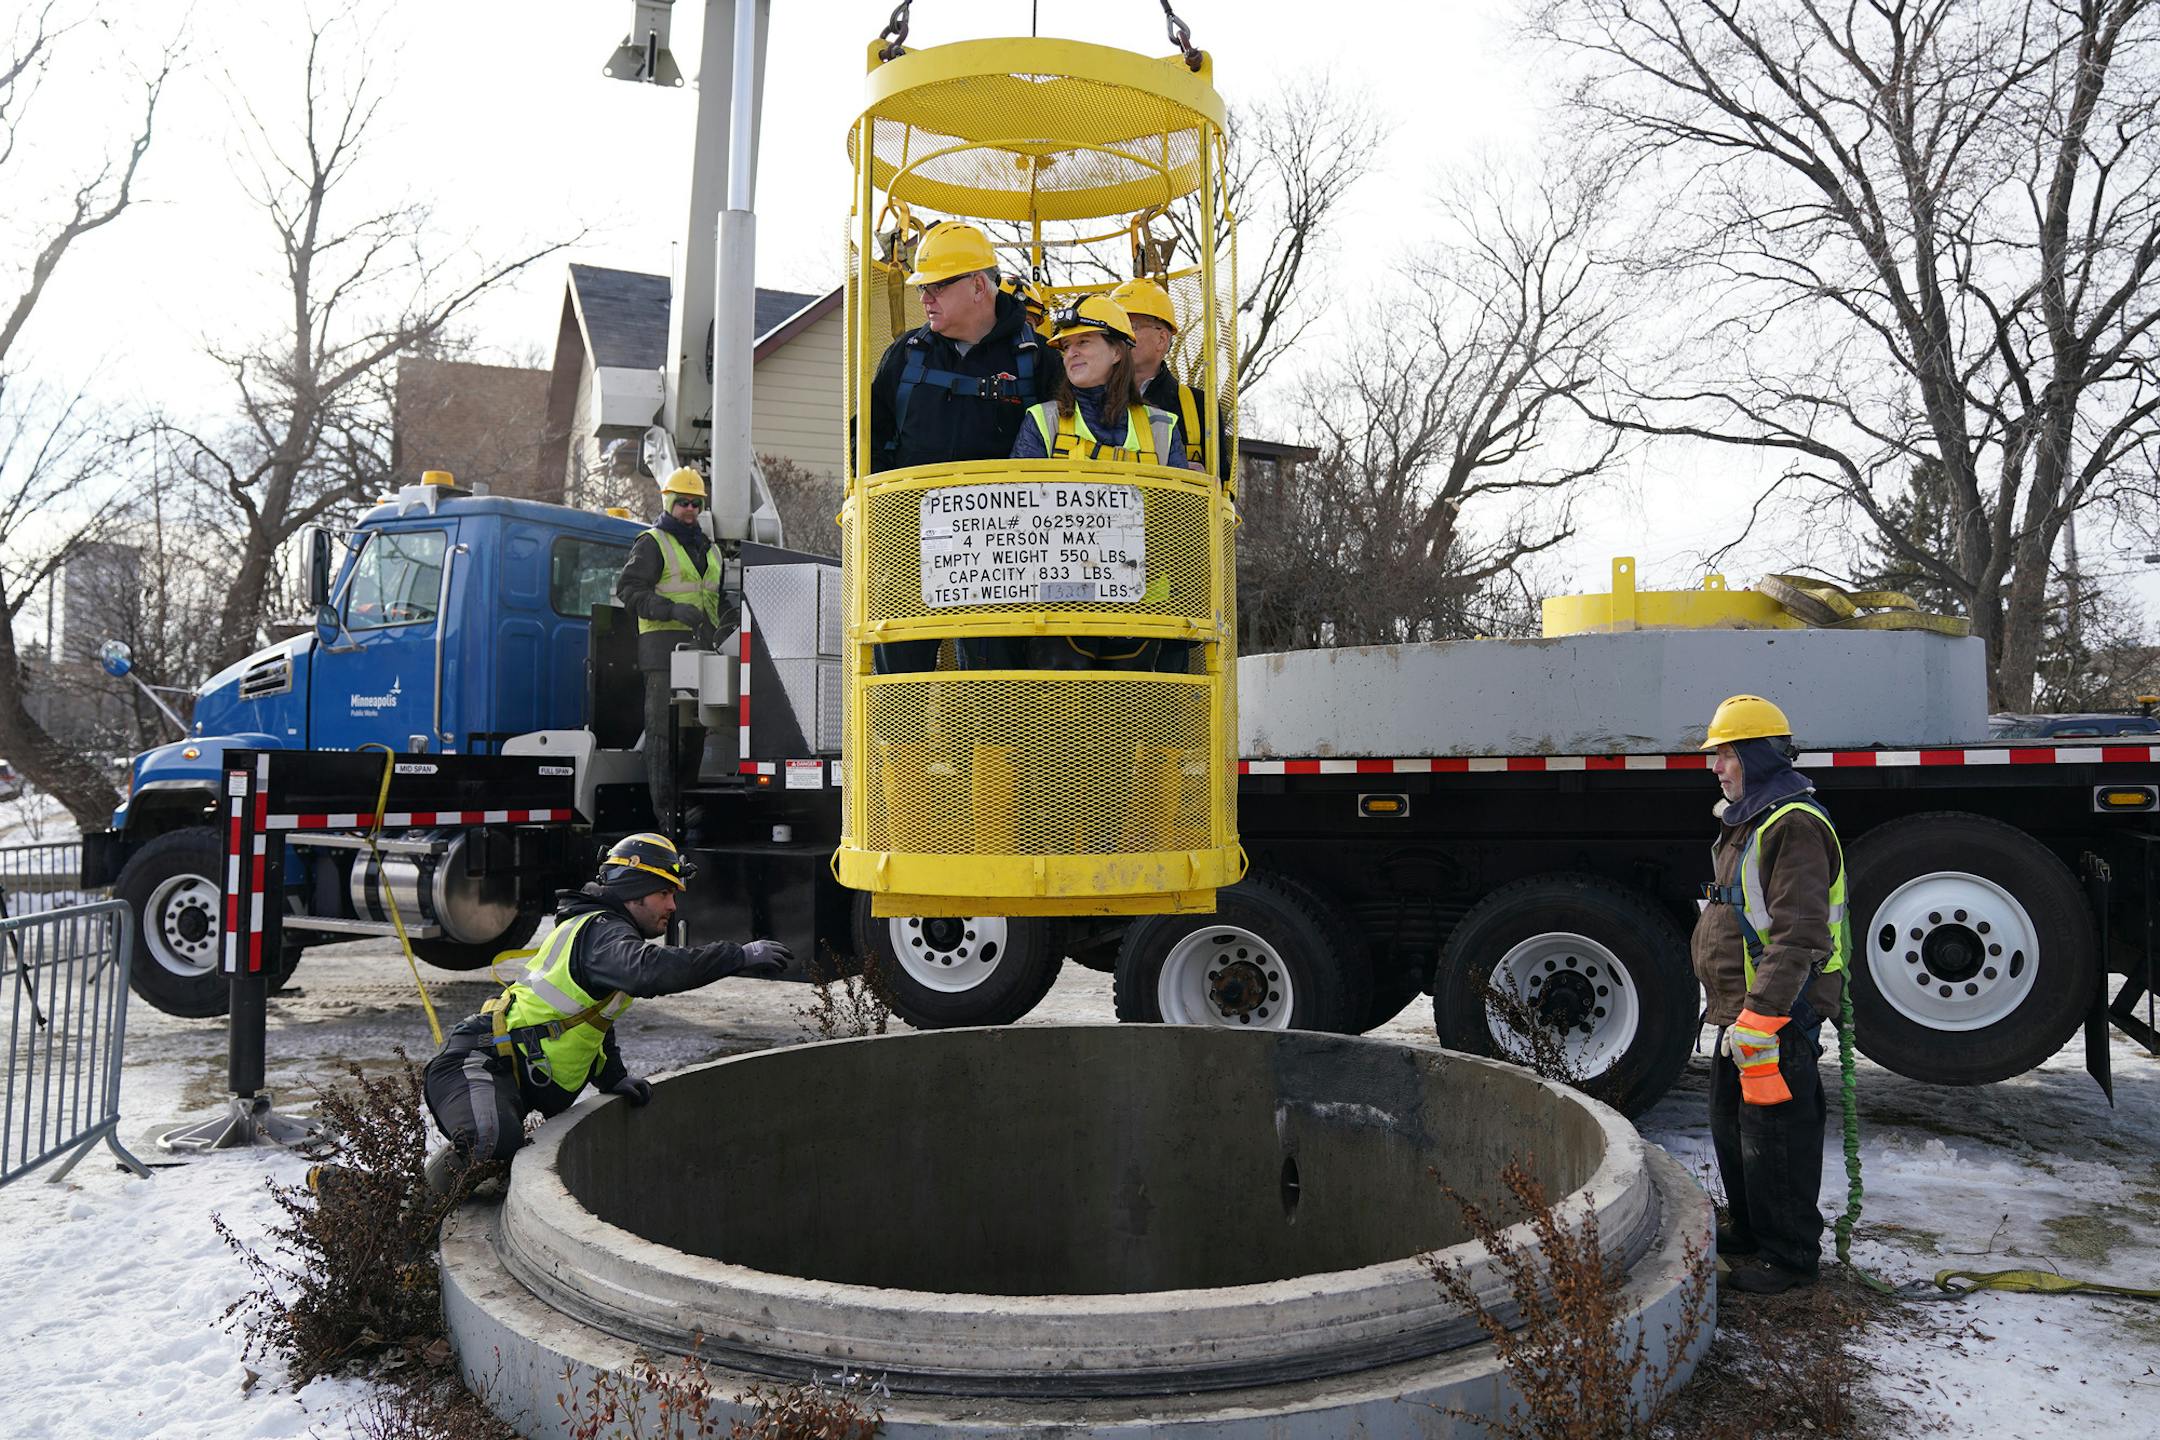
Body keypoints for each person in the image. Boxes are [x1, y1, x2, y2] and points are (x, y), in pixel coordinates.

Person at [422, 833, 790, 1186]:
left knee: (497, 1152)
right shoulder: (602, 933)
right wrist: (737, 956)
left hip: (503, 1067)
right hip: (477, 1062)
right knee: (492, 1142)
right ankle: (404, 1221)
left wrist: (612, 1076)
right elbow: (650, 971)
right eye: (664, 892)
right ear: (634, 890)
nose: (673, 906)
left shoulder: (607, 934)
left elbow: (593, 1019)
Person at [1693, 694, 1848, 1296]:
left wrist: (1766, 1012)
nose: (1715, 767)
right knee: (1733, 1122)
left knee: (1777, 1132)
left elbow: (1800, 932)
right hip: (1746, 1011)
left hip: (1777, 1011)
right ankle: (1755, 1232)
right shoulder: (1751, 820)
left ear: (1756, 756)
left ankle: (1789, 1257)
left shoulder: (1795, 824)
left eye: (1725, 754)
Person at [866, 220, 1060, 672]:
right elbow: (870, 435)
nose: (924, 297)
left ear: (977, 285)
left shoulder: (1040, 361)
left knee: (994, 682)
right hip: (908, 541)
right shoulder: (906, 354)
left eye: (936, 286)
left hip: (1003, 550)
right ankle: (900, 746)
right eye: (921, 287)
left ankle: (992, 747)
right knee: (898, 675)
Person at [1011, 295, 1194, 670]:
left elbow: (1176, 525)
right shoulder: (1041, 422)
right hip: (1061, 608)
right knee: (1062, 721)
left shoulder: (1163, 427)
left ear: (1117, 352)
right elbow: (1021, 520)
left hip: (1142, 608)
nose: (1071, 353)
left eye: (1084, 342)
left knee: (1130, 723)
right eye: (1065, 346)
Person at [1109, 276, 1226, 673]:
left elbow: (1221, 489)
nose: (1119, 335)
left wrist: (1198, 479)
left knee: (1169, 686)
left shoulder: (1198, 408)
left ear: (1161, 339)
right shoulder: (1082, 399)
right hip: (1101, 569)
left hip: (1176, 573)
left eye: (1131, 325)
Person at [616, 468, 726, 828]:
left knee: (694, 735)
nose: (690, 509)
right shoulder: (652, 543)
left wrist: (729, 621)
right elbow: (629, 590)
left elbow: (715, 599)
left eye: (696, 503)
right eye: (683, 502)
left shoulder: (710, 551)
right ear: (668, 502)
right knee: (663, 737)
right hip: (662, 654)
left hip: (701, 653)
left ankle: (684, 810)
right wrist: (670, 610)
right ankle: (666, 820)